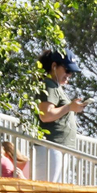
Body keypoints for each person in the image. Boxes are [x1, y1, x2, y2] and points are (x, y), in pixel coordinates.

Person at [36, 50, 86, 181]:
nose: (69, 75)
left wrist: (71, 107)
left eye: (71, 73)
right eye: (67, 70)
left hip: (58, 148)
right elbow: (45, 115)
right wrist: (69, 107)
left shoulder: (55, 86)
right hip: (50, 148)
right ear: (54, 66)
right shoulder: (48, 84)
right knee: (47, 191)